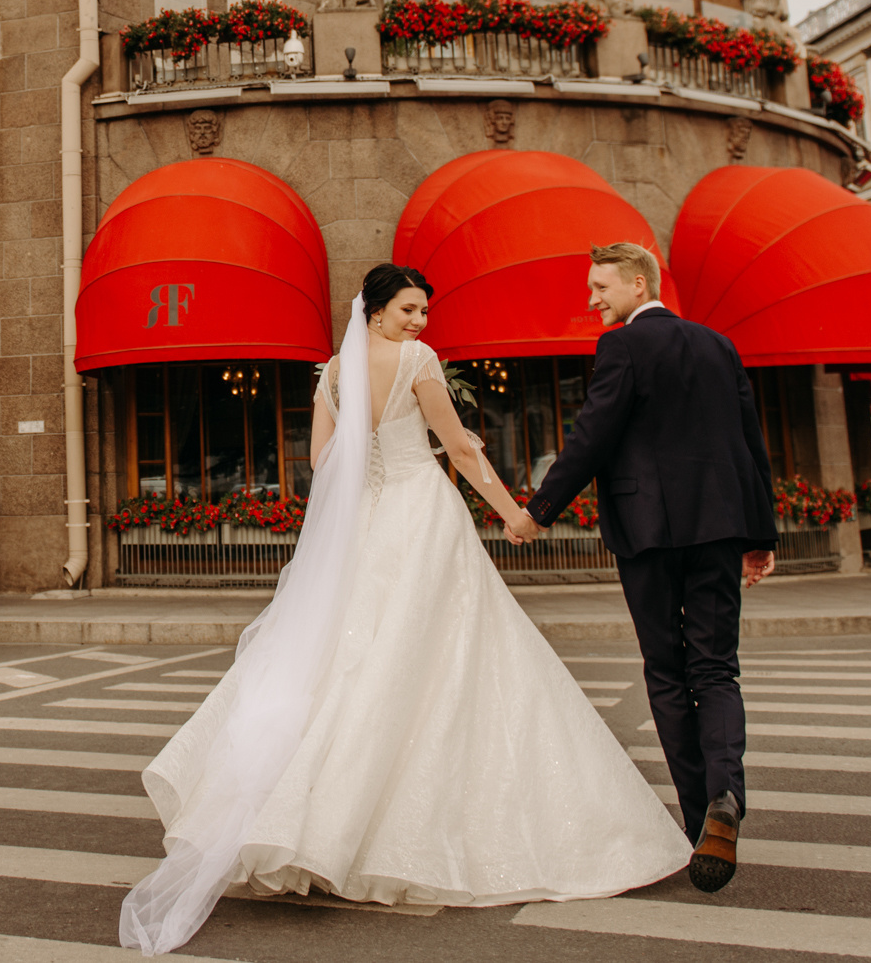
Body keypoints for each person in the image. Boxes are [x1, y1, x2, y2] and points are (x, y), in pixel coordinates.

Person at [118, 264, 686, 955]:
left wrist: (362, 494)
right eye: (410, 309)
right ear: (378, 310)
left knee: (354, 662)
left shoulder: (330, 373)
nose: (420, 323)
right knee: (441, 659)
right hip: (421, 518)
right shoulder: (418, 362)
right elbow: (459, 447)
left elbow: (324, 461)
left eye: (425, 313)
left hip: (364, 524)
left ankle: (313, 825)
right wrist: (518, 514)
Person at [514, 242, 778, 896]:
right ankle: (726, 799)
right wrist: (760, 533)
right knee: (716, 667)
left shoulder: (622, 349)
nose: (591, 299)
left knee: (666, 670)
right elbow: (751, 441)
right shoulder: (718, 345)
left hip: (650, 533)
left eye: (600, 286)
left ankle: (699, 823)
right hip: (720, 527)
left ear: (638, 283)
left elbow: (593, 437)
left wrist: (538, 511)